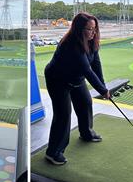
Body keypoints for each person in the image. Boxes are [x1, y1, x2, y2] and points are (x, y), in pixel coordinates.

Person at [44, 12, 110, 165]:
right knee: (63, 115)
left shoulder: (92, 41)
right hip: (58, 81)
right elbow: (87, 71)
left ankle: (86, 133)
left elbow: (96, 65)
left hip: (76, 78)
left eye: (95, 29)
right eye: (89, 29)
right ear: (79, 29)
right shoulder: (71, 45)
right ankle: (53, 152)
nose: (93, 32)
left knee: (85, 103)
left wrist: (104, 86)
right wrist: (102, 91)